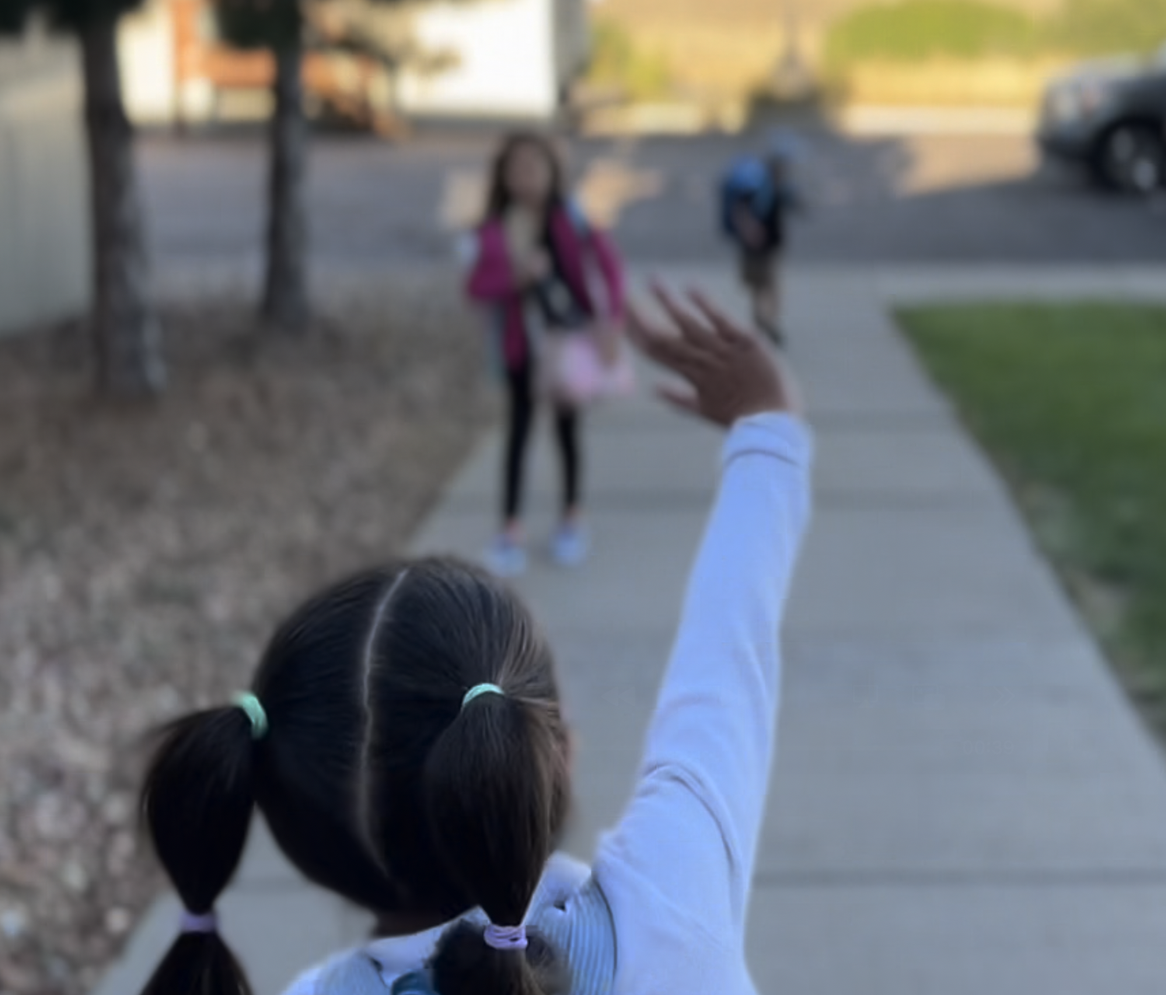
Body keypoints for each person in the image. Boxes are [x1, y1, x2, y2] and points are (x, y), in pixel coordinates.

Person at [136, 286, 810, 995]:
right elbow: (726, 652)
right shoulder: (669, 902)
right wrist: (767, 431)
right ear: (553, 758)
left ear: (289, 829)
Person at [465, 133, 627, 575]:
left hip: (568, 346)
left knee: (567, 432)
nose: (526, 177)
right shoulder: (494, 229)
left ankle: (571, 517)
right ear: (503, 175)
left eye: (535, 167)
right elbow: (476, 286)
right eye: (517, 168)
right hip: (522, 348)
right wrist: (516, 278)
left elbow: (609, 270)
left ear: (553, 172)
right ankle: (510, 527)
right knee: (517, 434)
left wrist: (610, 322)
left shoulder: (570, 221)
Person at [717, 137, 801, 346]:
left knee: (763, 286)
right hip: (760, 243)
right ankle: (766, 324)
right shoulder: (758, 181)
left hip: (765, 244)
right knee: (766, 286)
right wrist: (749, 230)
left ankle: (762, 325)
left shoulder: (770, 182)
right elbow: (741, 209)